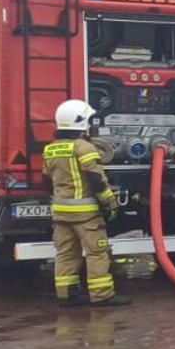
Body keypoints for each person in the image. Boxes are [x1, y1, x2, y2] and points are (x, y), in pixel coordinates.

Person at [45, 99, 128, 307]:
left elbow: (46, 179)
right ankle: (101, 295)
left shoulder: (51, 149)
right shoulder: (84, 148)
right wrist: (110, 203)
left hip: (60, 212)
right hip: (86, 214)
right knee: (97, 252)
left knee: (66, 253)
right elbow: (96, 179)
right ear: (81, 122)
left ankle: (66, 294)